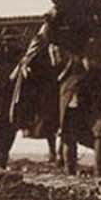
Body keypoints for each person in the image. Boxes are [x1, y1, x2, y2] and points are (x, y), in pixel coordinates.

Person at [53, 12, 101, 177]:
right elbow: (52, 36)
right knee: (69, 133)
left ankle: (99, 173)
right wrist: (54, 17)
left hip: (100, 92)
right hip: (74, 91)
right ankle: (70, 173)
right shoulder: (75, 34)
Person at [12, 17, 62, 164]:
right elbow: (28, 58)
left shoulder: (59, 42)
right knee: (47, 119)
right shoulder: (39, 40)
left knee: (55, 120)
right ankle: (54, 153)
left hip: (52, 83)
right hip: (40, 85)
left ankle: (55, 153)